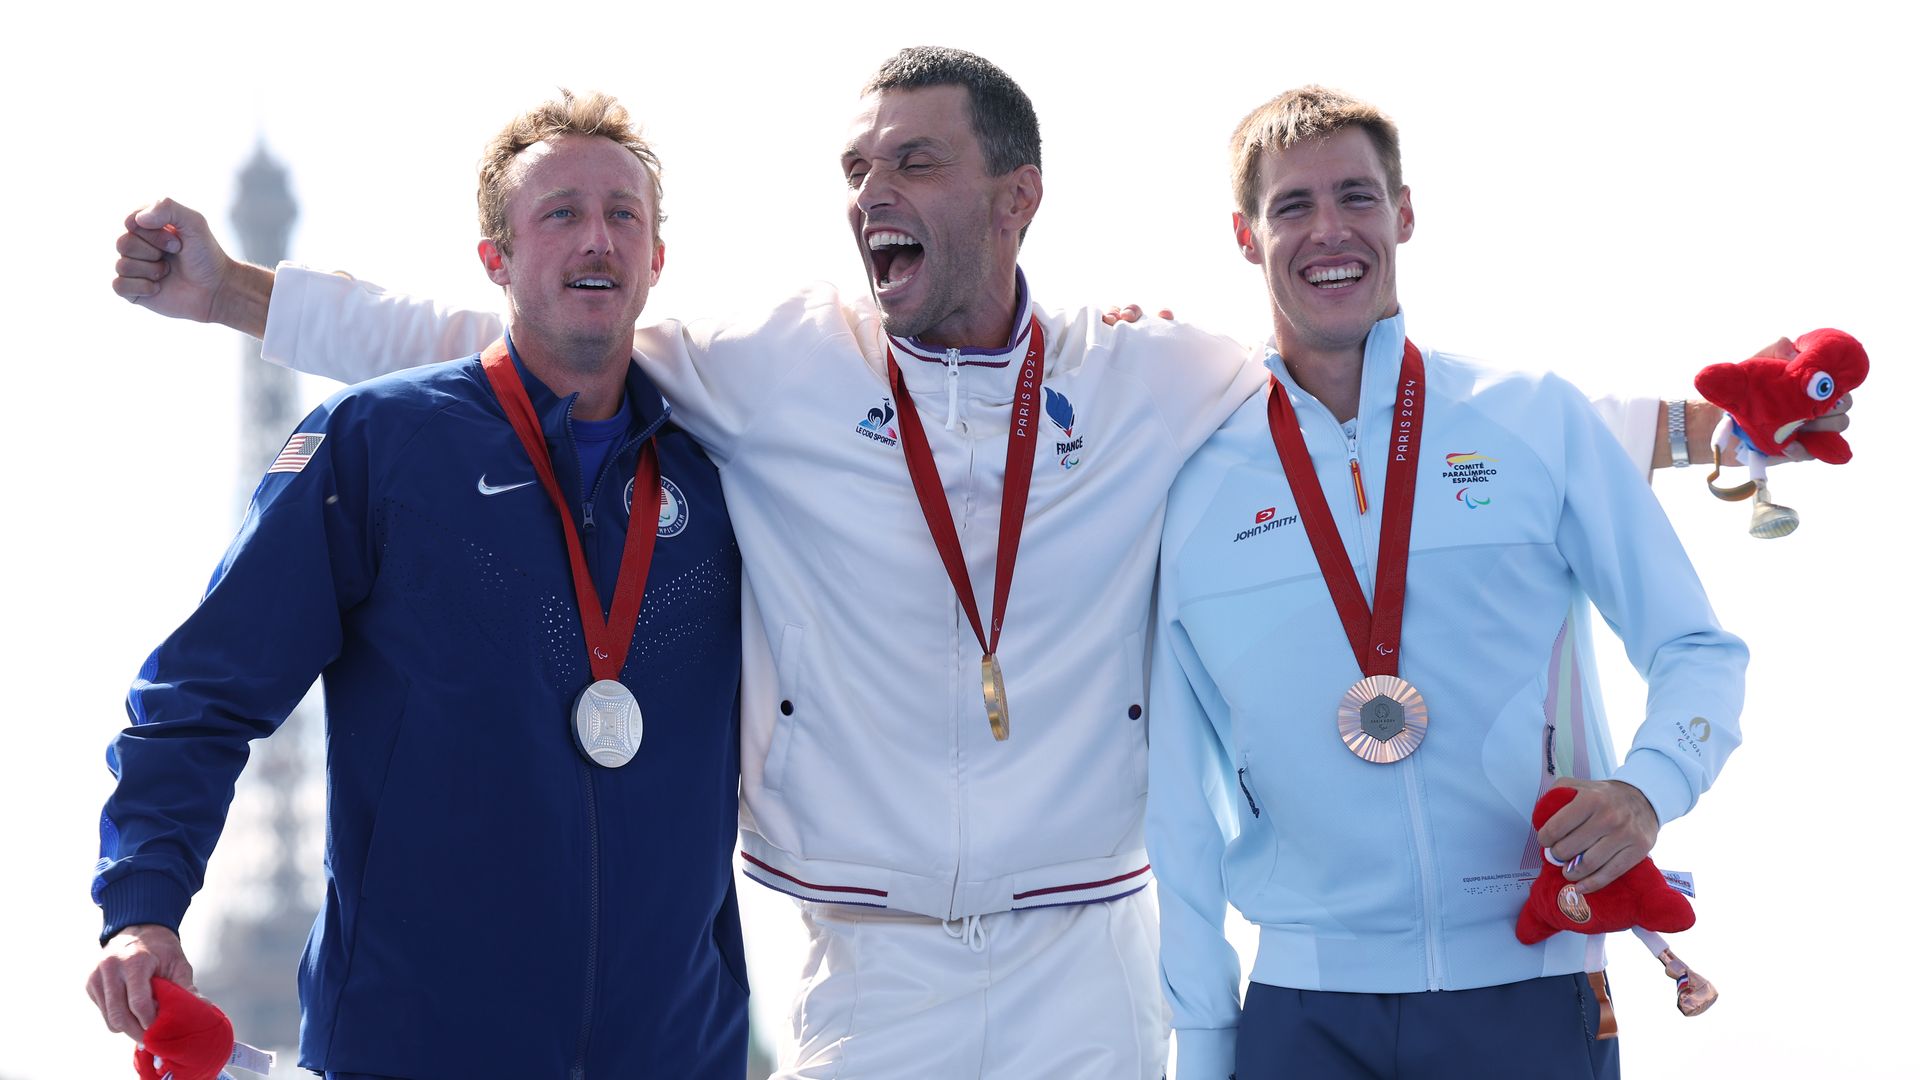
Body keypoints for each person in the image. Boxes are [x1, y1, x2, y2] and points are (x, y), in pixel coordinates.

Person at [110, 51, 1786, 1078]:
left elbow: (1441, 412)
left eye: (911, 163)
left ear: (1017, 194)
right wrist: (243, 297)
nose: (870, 195)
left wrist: (1726, 425)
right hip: (865, 976)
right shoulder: (768, 361)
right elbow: (502, 329)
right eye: (854, 171)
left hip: (1082, 969)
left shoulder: (1153, 371)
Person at [86, 92, 748, 1079]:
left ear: (658, 260)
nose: (596, 238)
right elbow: (205, 691)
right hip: (418, 1048)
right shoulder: (381, 446)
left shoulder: (725, 470)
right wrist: (141, 906)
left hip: (677, 1054)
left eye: (624, 215)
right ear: (496, 259)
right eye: (559, 213)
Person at [1146, 86, 1749, 1079]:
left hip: (1529, 980)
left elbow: (1696, 648)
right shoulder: (1191, 475)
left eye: (1358, 197)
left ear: (1406, 213)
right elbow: (1180, 794)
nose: (1329, 231)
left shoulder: (1531, 418)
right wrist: (1205, 1042)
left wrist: (1648, 790)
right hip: (1304, 1008)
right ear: (1247, 238)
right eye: (1292, 206)